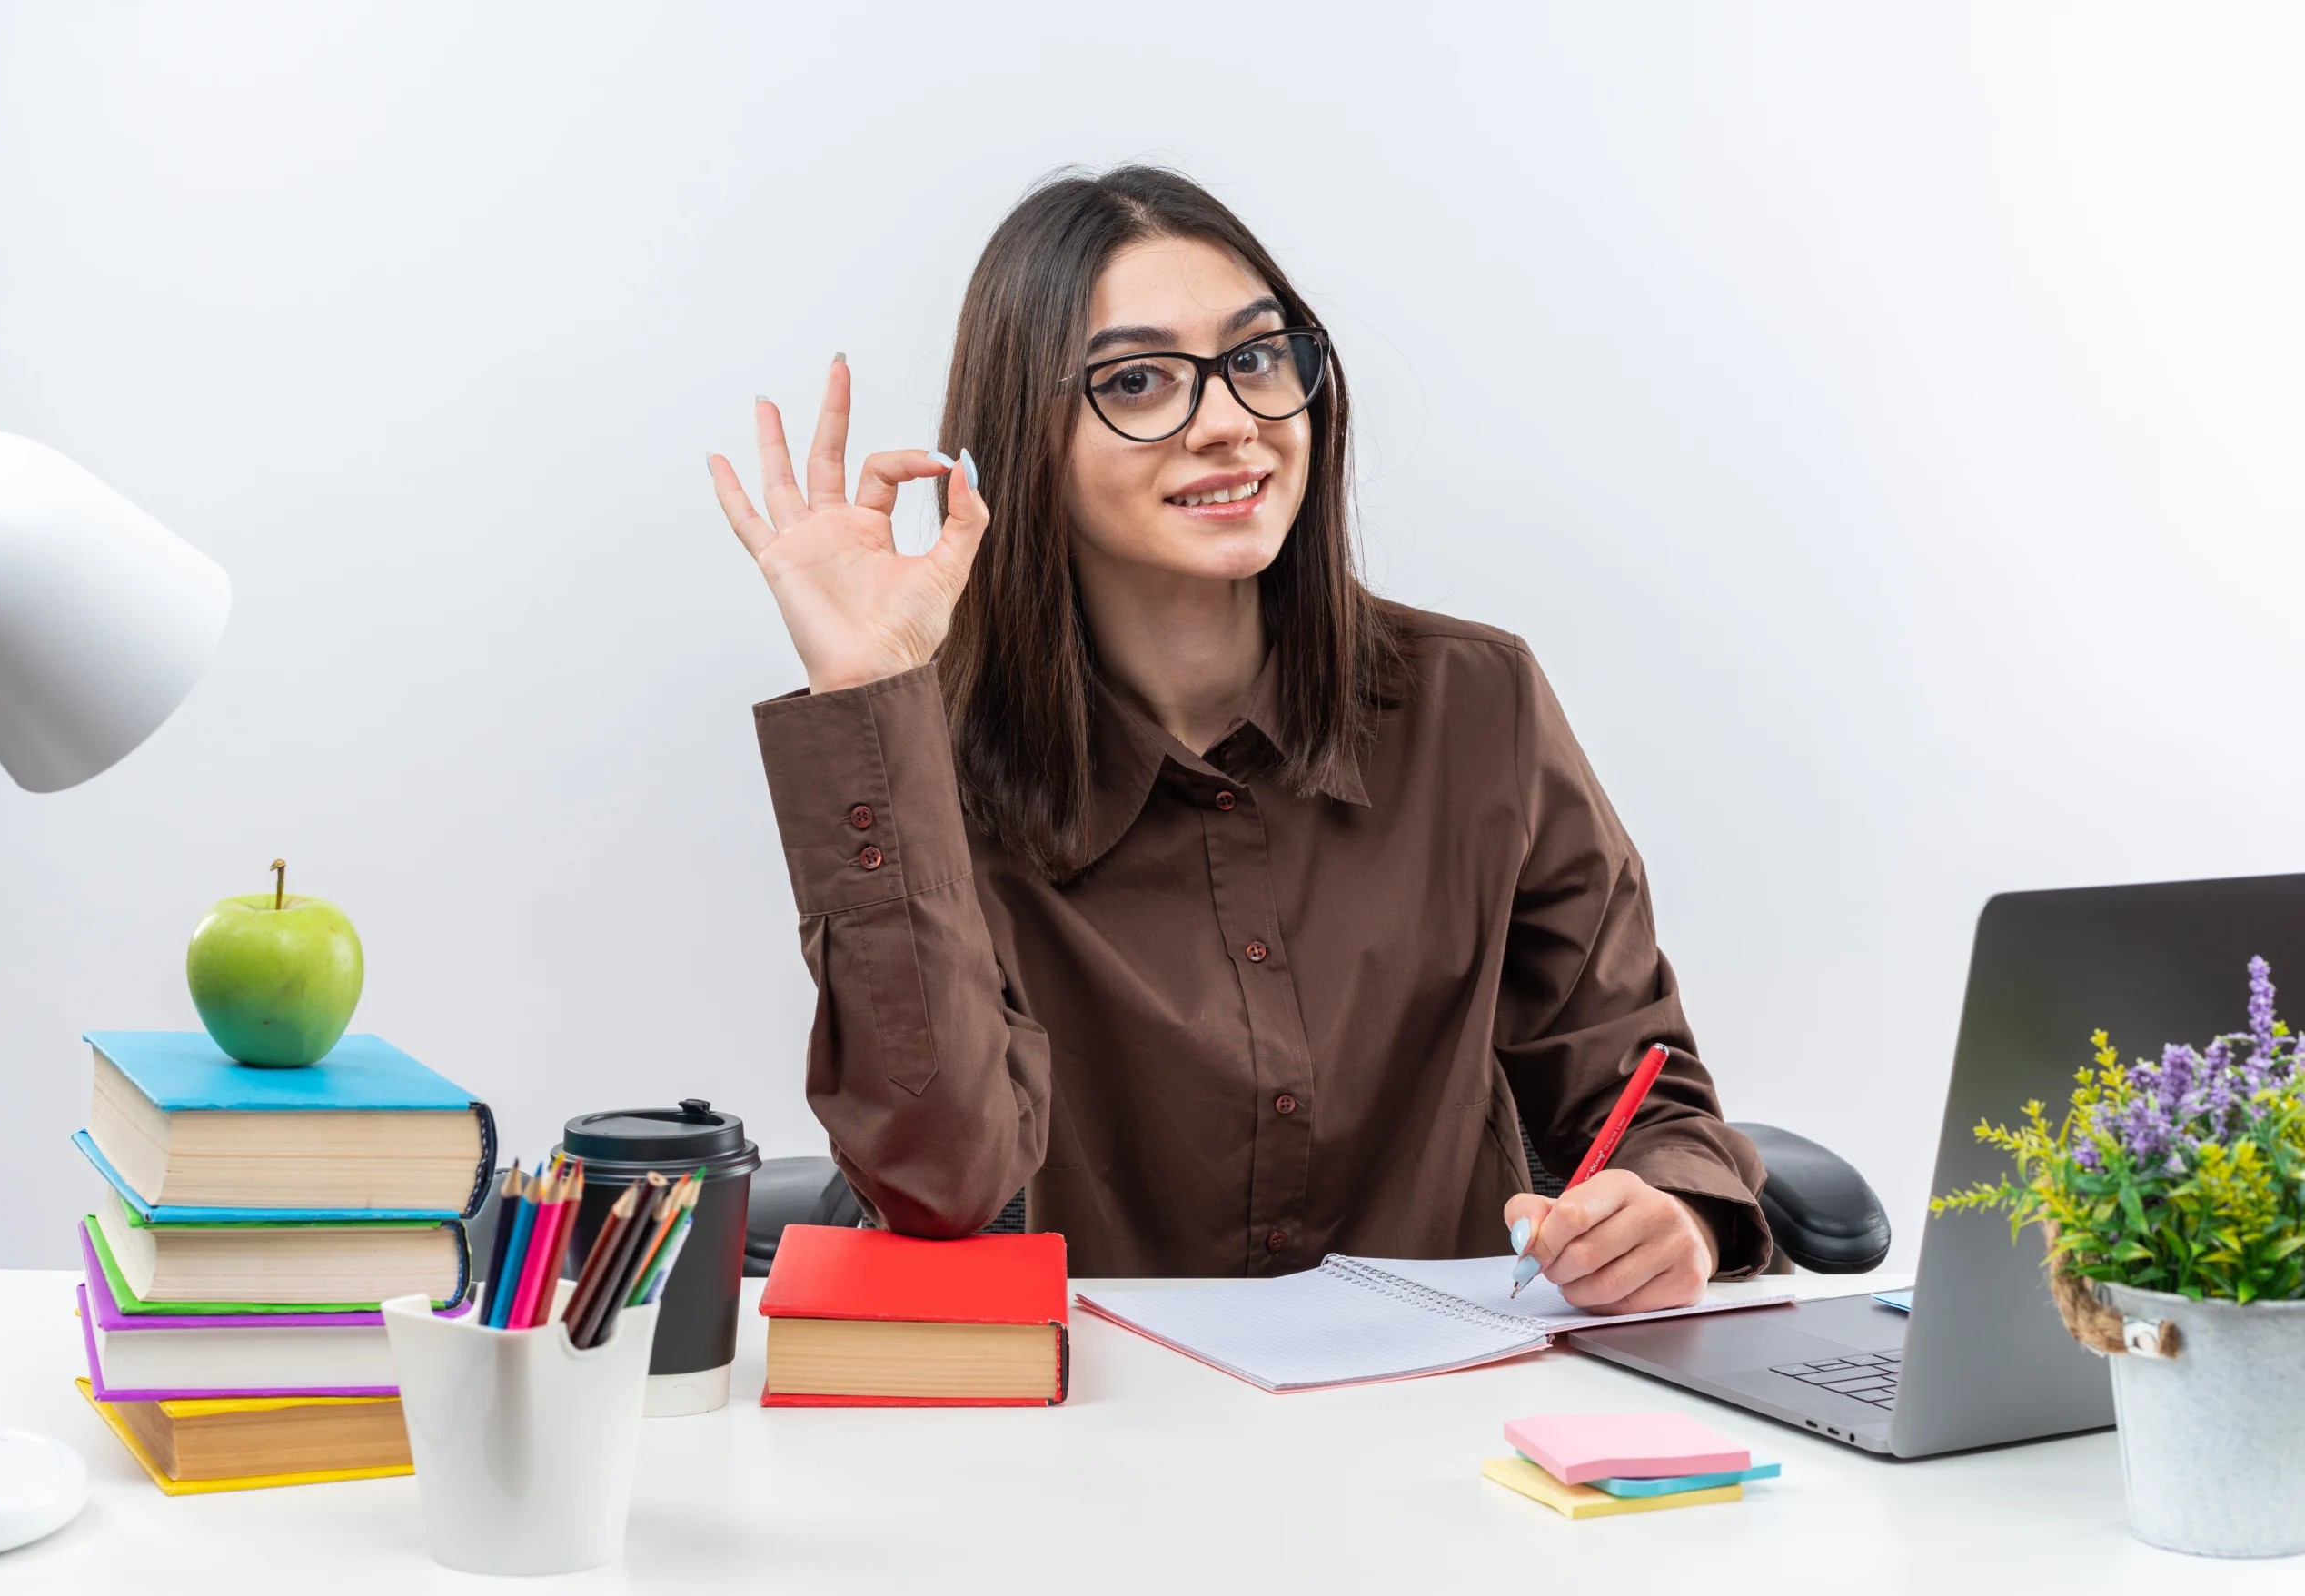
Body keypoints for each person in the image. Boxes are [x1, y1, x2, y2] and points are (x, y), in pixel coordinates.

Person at [710, 166, 1770, 1310]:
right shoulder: (935, 769)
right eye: (1137, 379)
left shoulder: (1478, 702)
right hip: (1095, 1441)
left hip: (1444, 1426)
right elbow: (943, 1184)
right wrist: (871, 699)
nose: (1227, 422)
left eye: (1256, 357)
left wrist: (1675, 1212)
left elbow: (1642, 1093)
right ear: (1027, 437)